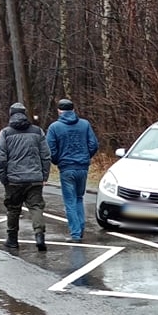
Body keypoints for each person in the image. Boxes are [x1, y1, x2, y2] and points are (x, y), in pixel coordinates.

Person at [0, 102, 51, 250]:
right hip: (35, 178)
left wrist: (3, 178)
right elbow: (46, 155)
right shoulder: (38, 131)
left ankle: (12, 240)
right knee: (36, 207)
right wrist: (44, 175)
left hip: (14, 180)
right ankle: (39, 235)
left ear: (10, 114)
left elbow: (1, 158)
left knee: (13, 209)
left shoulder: (5, 133)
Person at [46, 98, 99, 241]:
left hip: (66, 168)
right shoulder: (84, 124)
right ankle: (80, 228)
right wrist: (86, 157)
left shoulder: (54, 127)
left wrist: (57, 160)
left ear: (59, 110)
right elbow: (93, 144)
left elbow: (50, 149)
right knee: (79, 198)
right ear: (73, 110)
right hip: (82, 167)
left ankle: (75, 233)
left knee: (70, 201)